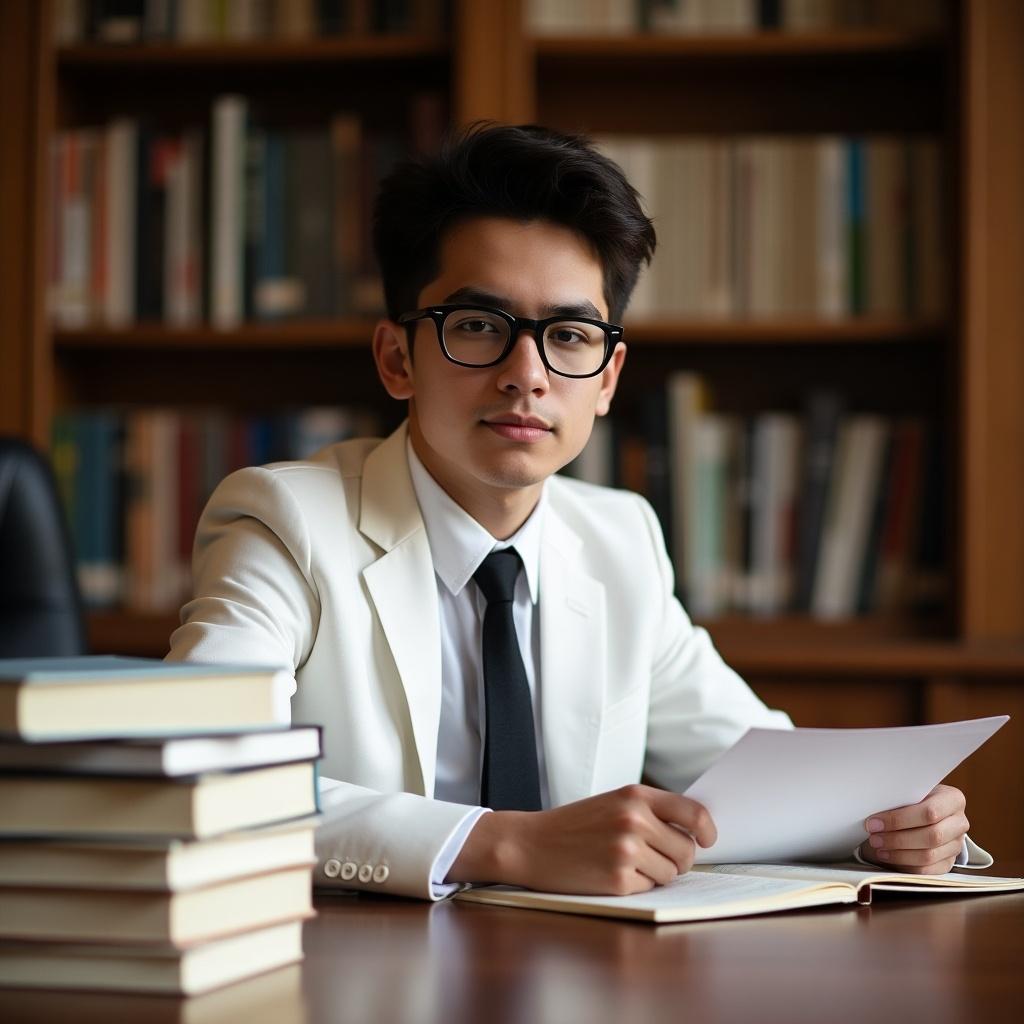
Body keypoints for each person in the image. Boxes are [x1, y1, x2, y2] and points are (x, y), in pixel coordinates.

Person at [167, 122, 983, 900]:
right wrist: (507, 844)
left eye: (568, 335)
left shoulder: (620, 539)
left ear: (608, 378)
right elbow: (199, 775)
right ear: (396, 358)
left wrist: (890, 824)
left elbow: (763, 769)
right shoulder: (284, 523)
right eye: (480, 325)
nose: (527, 374)